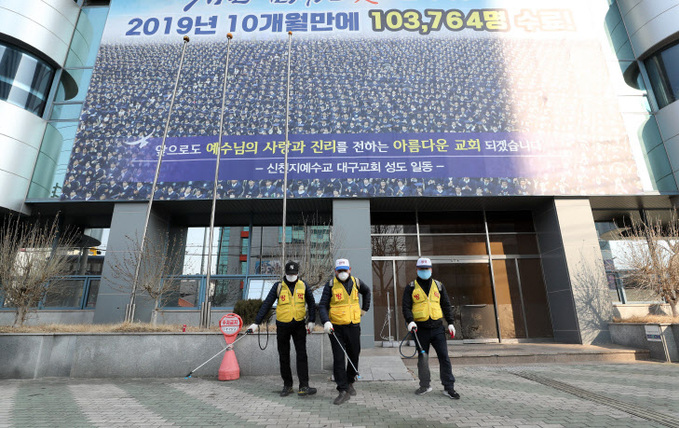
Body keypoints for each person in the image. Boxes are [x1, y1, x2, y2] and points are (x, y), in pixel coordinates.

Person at [248, 261, 317, 397]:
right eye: (290, 274)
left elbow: (312, 303)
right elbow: (267, 303)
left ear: (298, 273)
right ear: (285, 273)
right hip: (283, 325)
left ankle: (304, 386)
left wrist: (312, 321)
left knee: (302, 355)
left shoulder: (303, 285)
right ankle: (287, 385)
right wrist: (256, 323)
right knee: (283, 356)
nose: (292, 276)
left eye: (294, 274)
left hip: (298, 324)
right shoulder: (278, 286)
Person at [402, 257, 460, 399]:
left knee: (444, 357)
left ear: (431, 269)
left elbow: (446, 305)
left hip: (437, 328)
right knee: (423, 358)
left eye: (427, 268)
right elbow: (406, 307)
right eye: (422, 269)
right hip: (420, 329)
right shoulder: (410, 287)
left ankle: (449, 387)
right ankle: (425, 385)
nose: (424, 271)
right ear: (417, 269)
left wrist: (451, 323)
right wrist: (410, 321)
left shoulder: (439, 286)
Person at [319, 258, 371, 405]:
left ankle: (349, 382)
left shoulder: (357, 282)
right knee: (339, 358)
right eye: (339, 270)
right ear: (335, 271)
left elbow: (367, 292)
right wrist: (326, 321)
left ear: (350, 269)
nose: (342, 273)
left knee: (354, 355)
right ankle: (342, 390)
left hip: (353, 325)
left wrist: (364, 309)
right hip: (336, 328)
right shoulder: (330, 285)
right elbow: (322, 305)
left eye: (345, 270)